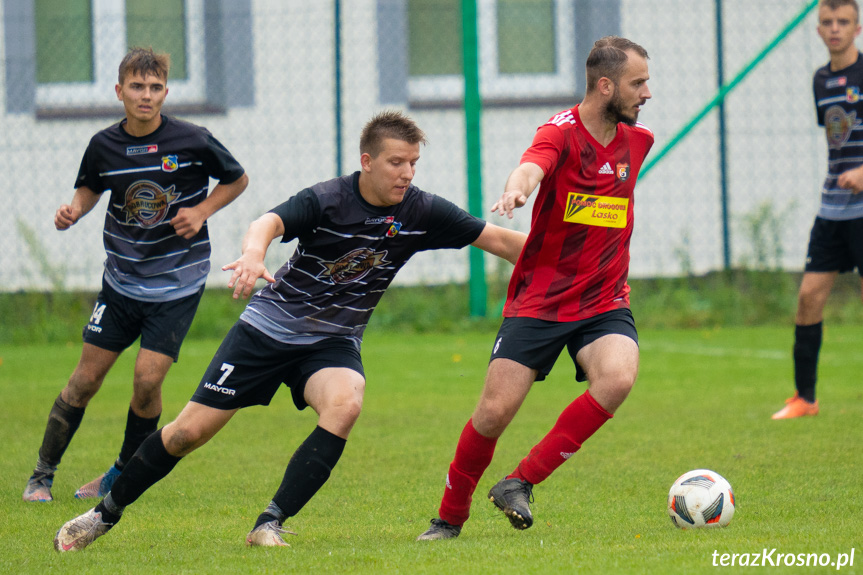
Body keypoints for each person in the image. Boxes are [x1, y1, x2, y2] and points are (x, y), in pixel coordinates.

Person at [52, 110, 527, 551]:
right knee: (186, 434)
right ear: (367, 161)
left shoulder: (420, 211)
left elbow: (502, 241)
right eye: (396, 162)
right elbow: (267, 222)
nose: (408, 173)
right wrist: (255, 254)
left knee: (346, 402)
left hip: (332, 342)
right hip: (266, 331)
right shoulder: (328, 199)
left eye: (414, 163)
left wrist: (583, 257)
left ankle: (269, 522)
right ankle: (105, 513)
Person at [416, 36, 654, 540]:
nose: (647, 93)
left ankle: (519, 482)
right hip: (541, 298)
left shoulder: (638, 141)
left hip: (604, 298)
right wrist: (518, 188)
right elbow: (533, 163)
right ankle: (449, 517)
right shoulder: (560, 132)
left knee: (618, 378)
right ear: (605, 84)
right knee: (493, 413)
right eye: (638, 83)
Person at [22, 48, 249, 503]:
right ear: (120, 91)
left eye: (155, 87)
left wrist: (202, 210)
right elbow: (90, 186)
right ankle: (41, 475)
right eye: (136, 87)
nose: (146, 96)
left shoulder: (193, 140)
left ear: (166, 91)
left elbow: (237, 179)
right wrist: (75, 210)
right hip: (122, 283)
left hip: (176, 286)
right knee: (85, 380)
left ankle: (120, 476)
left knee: (147, 382)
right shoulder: (103, 144)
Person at [772, 0, 863, 419]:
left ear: (857, 28)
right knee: (808, 297)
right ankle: (804, 399)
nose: (835, 29)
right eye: (827, 22)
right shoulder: (820, 80)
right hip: (832, 209)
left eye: (843, 21)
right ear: (818, 30)